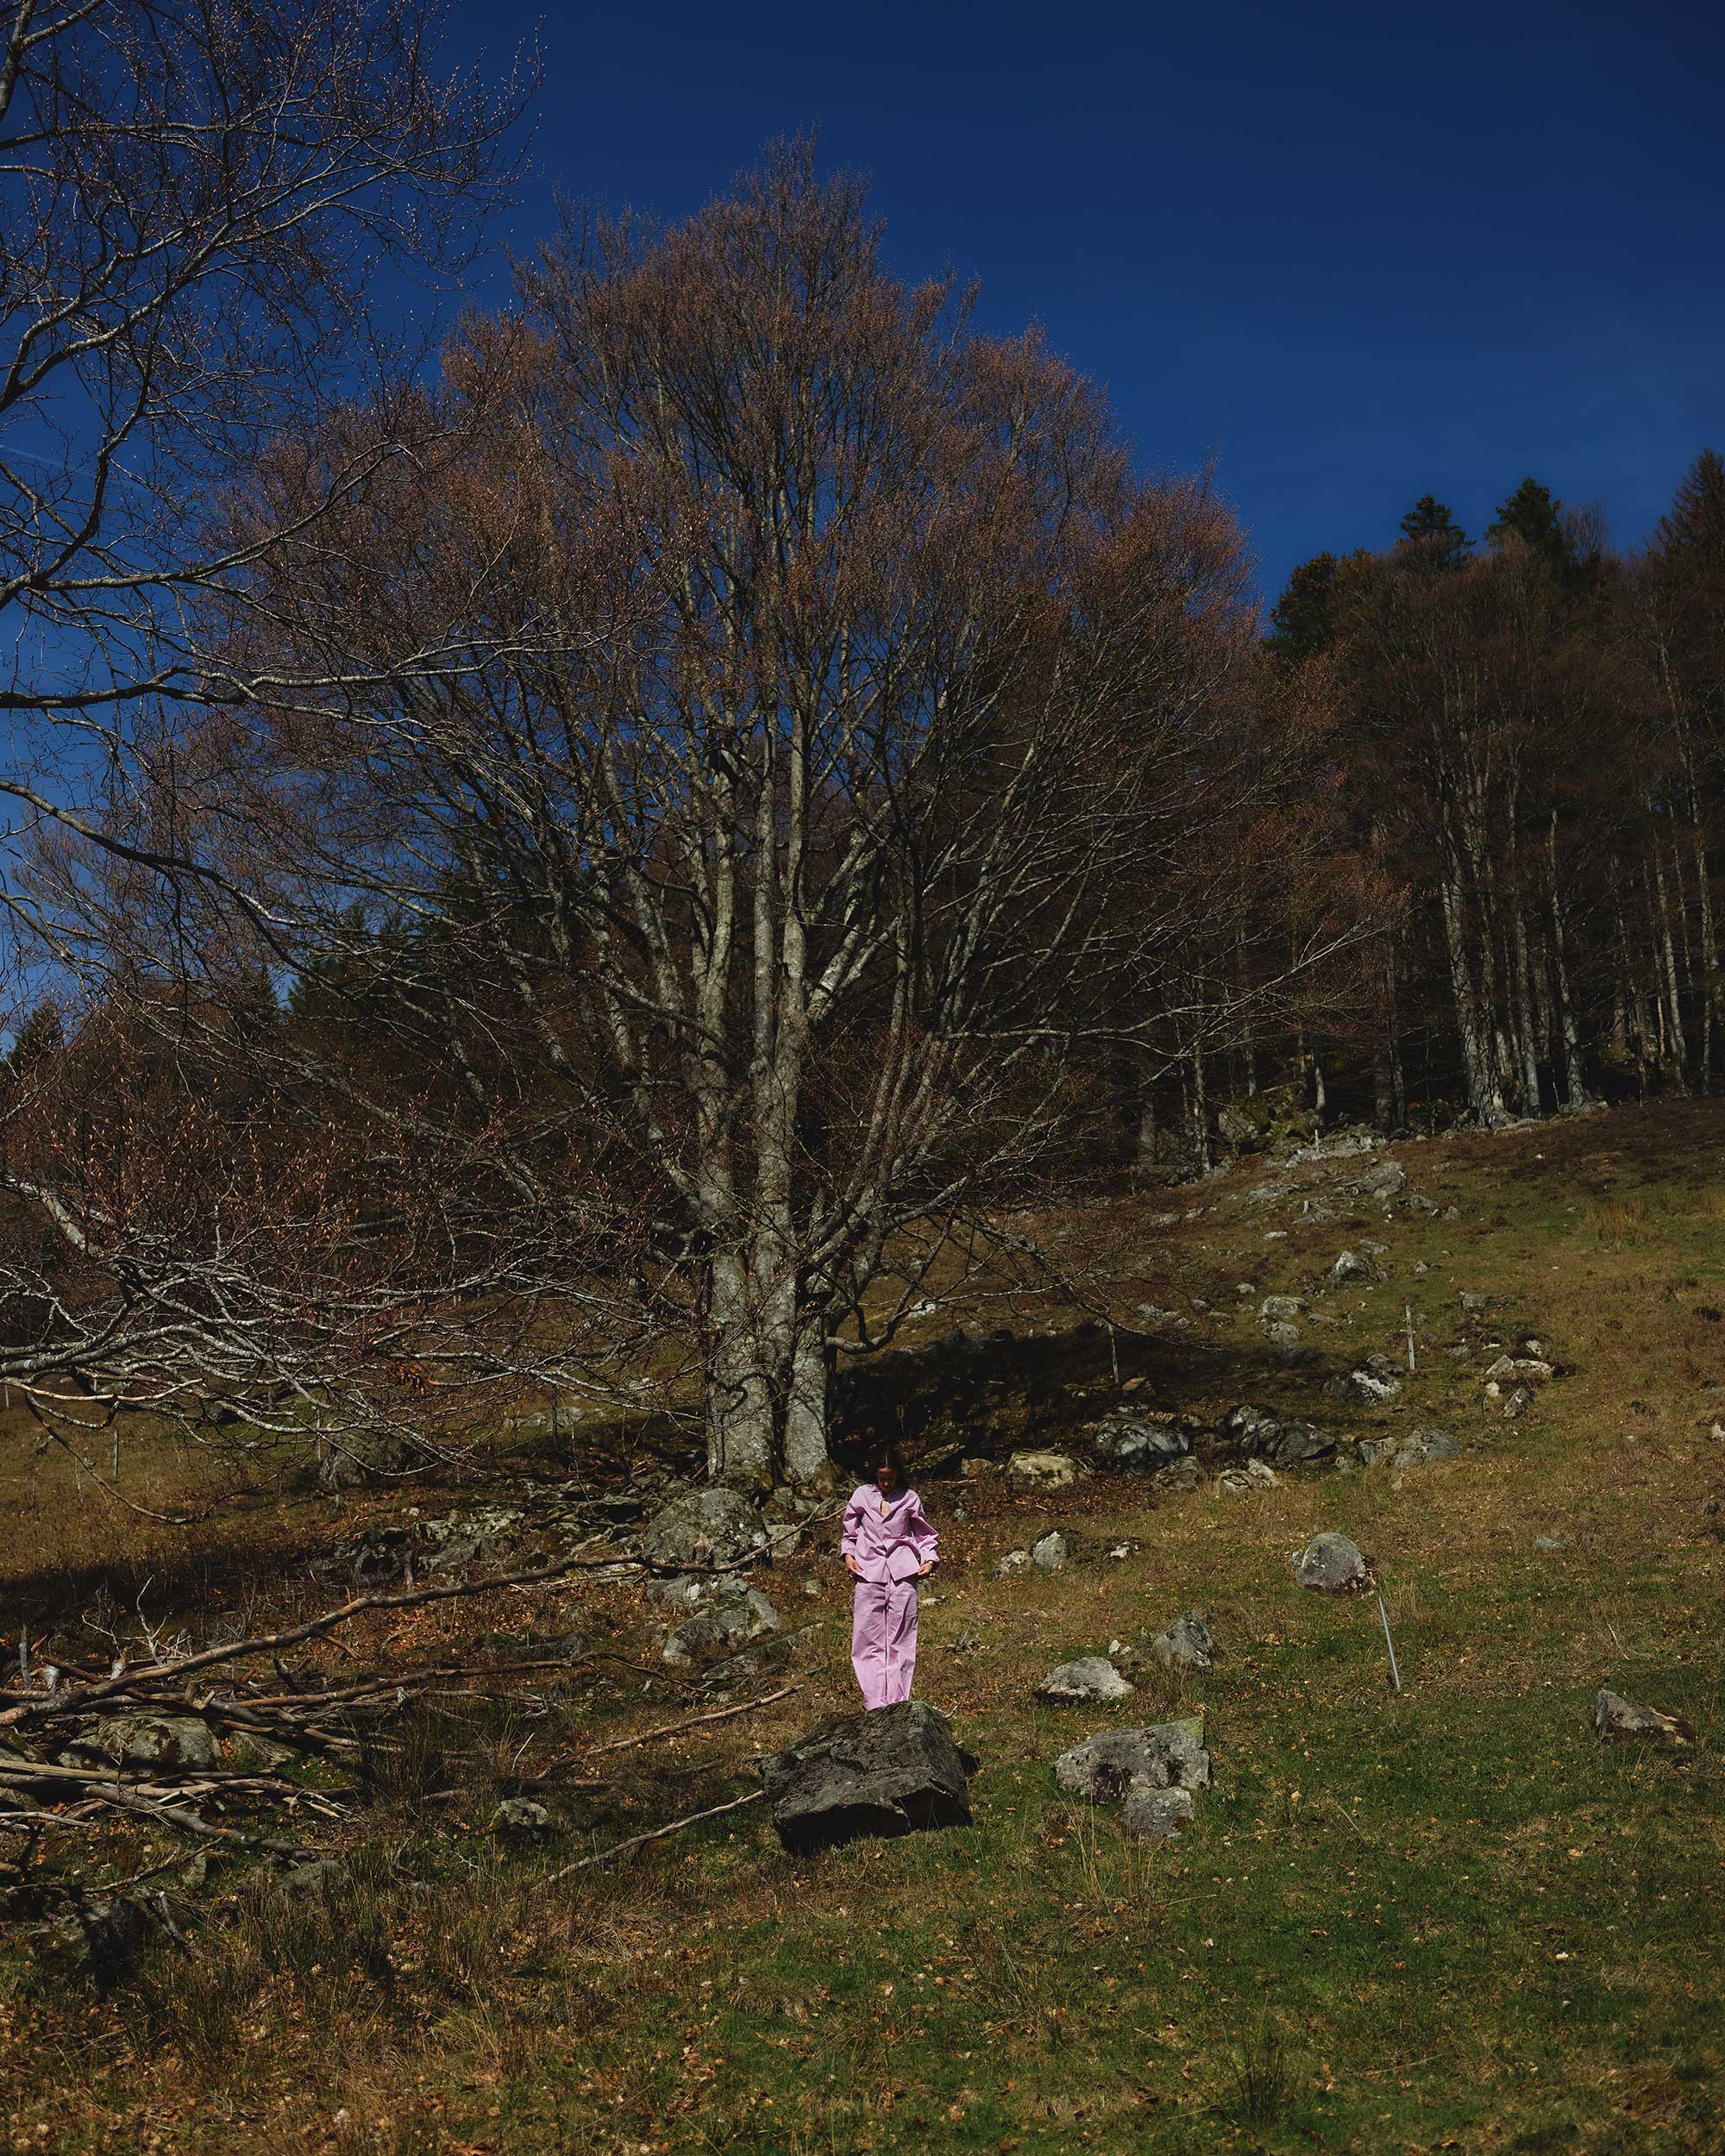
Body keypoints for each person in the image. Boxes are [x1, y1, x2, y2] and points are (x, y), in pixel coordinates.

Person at [841, 1443, 938, 1708]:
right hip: (868, 1571)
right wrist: (848, 1555)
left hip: (903, 1572)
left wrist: (929, 1559)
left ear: (898, 1474)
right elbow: (849, 1533)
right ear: (874, 1474)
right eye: (881, 1477)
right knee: (866, 1638)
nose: (885, 1482)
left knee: (902, 1638)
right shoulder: (861, 1495)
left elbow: (924, 1534)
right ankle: (874, 1702)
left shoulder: (909, 1498)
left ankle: (897, 1702)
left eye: (890, 1477)